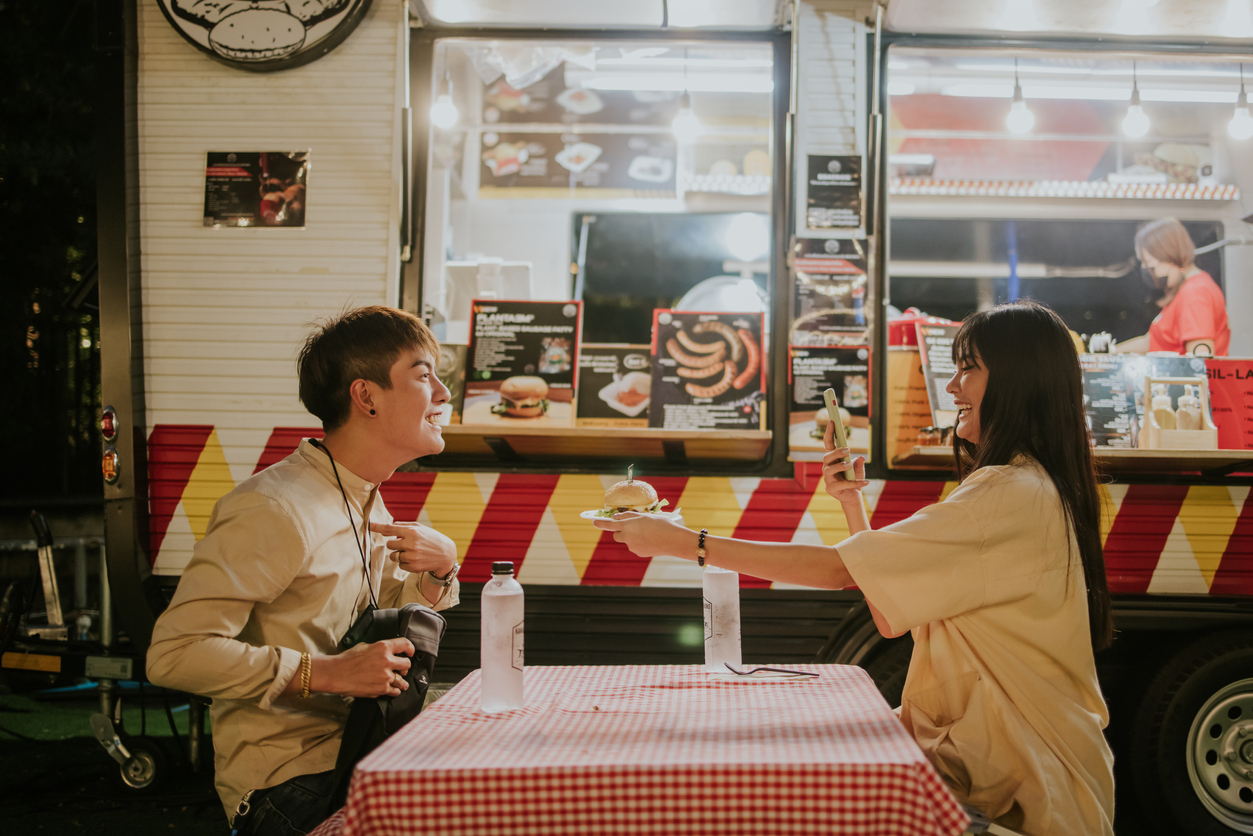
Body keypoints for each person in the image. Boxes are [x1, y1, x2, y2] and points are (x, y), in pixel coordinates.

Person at [596, 301, 1116, 836]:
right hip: (988, 773)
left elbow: (840, 571)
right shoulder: (1029, 486)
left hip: (1028, 794)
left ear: (1019, 382)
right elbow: (889, 614)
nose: (953, 387)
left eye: (970, 368)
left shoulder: (1008, 493)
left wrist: (687, 543)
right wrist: (851, 503)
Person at [147, 305, 461, 835]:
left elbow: (380, 616)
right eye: (424, 375)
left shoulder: (359, 493)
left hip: (360, 749)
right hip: (286, 787)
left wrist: (440, 571)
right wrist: (329, 673)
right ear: (366, 397)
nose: (444, 395)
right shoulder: (275, 508)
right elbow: (173, 655)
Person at [1114, 217, 1230, 356]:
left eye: (1150, 264)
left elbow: (1200, 359)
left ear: (1168, 256)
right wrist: (1110, 352)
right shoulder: (1184, 291)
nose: (1149, 271)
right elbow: (1151, 342)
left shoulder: (1195, 293)